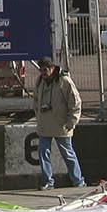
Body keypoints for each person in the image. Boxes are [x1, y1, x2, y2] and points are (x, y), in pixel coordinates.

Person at [32, 57, 84, 189]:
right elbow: (36, 99)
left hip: (62, 124)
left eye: (45, 70)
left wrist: (72, 121)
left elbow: (75, 102)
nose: (43, 73)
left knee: (68, 153)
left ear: (52, 68)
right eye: (41, 70)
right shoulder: (40, 81)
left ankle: (78, 181)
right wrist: (38, 115)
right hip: (45, 123)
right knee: (43, 153)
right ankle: (48, 181)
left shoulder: (64, 81)